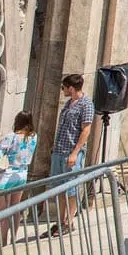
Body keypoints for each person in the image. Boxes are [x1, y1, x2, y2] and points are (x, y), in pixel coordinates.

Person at [50, 73, 93, 236]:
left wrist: (75, 152)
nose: (62, 91)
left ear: (71, 88)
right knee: (60, 187)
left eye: (63, 88)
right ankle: (60, 221)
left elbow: (86, 129)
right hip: (59, 151)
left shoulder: (85, 104)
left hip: (71, 152)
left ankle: (69, 220)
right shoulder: (68, 104)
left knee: (71, 188)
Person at [0, 112, 37, 246]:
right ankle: (14, 238)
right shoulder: (33, 137)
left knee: (3, 211)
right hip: (22, 174)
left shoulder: (10, 137)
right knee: (16, 208)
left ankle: (3, 241)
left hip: (6, 176)